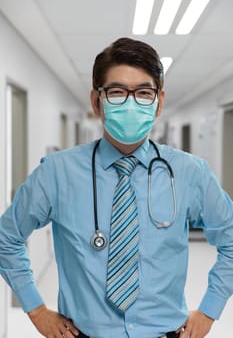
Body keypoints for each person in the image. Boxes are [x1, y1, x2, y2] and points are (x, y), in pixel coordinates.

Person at [0, 37, 233, 338]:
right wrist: (36, 310)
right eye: (118, 92)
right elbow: (7, 238)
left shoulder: (190, 173)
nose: (131, 103)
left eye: (144, 93)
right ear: (97, 102)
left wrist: (209, 311)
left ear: (159, 102)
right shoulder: (57, 173)